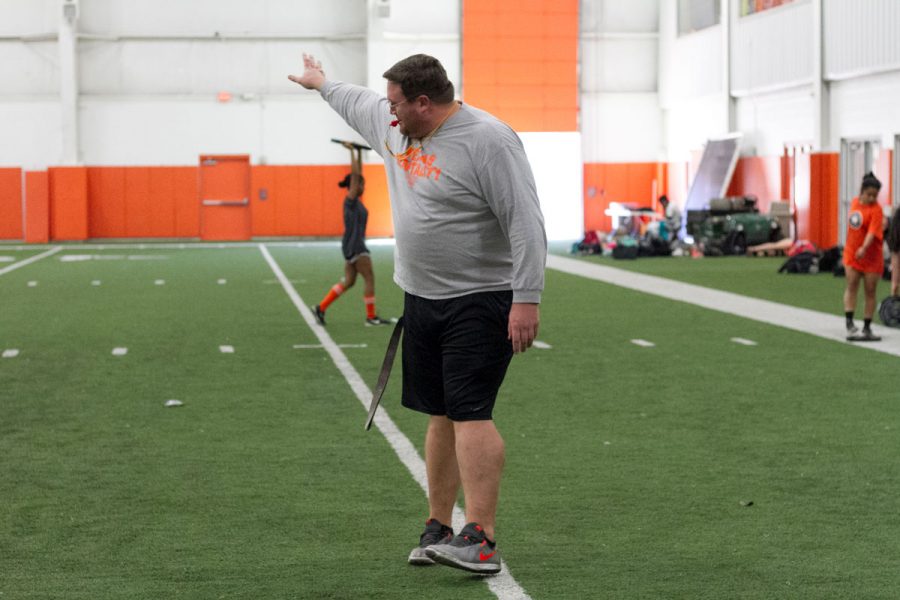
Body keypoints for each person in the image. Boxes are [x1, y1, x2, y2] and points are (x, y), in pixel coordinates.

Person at [289, 53, 546, 574]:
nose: (387, 114)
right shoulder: (393, 123)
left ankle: (482, 536)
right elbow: (351, 99)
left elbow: (525, 222)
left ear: (423, 103)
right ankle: (439, 526)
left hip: (482, 298)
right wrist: (321, 83)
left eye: (396, 105)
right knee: (440, 411)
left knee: (471, 411)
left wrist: (527, 298)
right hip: (421, 299)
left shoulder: (489, 141)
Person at [312, 141, 389, 327]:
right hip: (356, 246)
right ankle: (371, 318)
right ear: (354, 186)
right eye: (361, 183)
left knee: (349, 281)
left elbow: (358, 175)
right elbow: (356, 176)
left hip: (350, 245)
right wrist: (352, 152)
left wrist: (359, 153)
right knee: (369, 277)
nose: (364, 185)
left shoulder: (356, 201)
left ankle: (321, 308)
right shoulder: (351, 200)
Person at [843, 172, 884, 341]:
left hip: (871, 256)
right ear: (862, 192)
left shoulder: (876, 210)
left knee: (870, 290)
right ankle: (849, 322)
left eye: (875, 195)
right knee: (852, 285)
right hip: (852, 253)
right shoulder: (854, 203)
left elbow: (872, 233)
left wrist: (864, 248)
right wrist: (857, 250)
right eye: (869, 194)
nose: (872, 198)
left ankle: (867, 326)